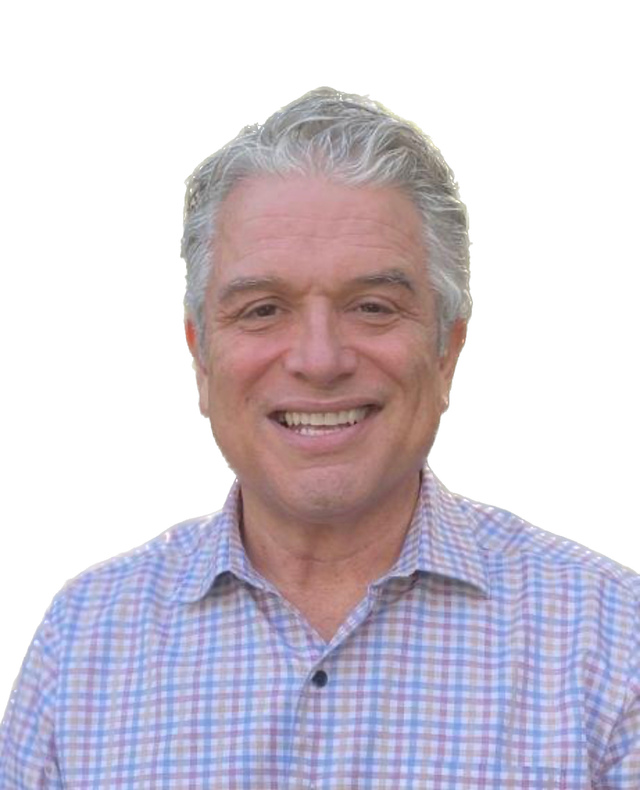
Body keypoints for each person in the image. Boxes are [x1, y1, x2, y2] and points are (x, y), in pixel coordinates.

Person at [1, 87, 637, 789]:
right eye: (262, 309)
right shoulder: (81, 640)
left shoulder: (613, 641)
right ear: (200, 356)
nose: (319, 359)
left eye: (373, 307)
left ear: (447, 350)